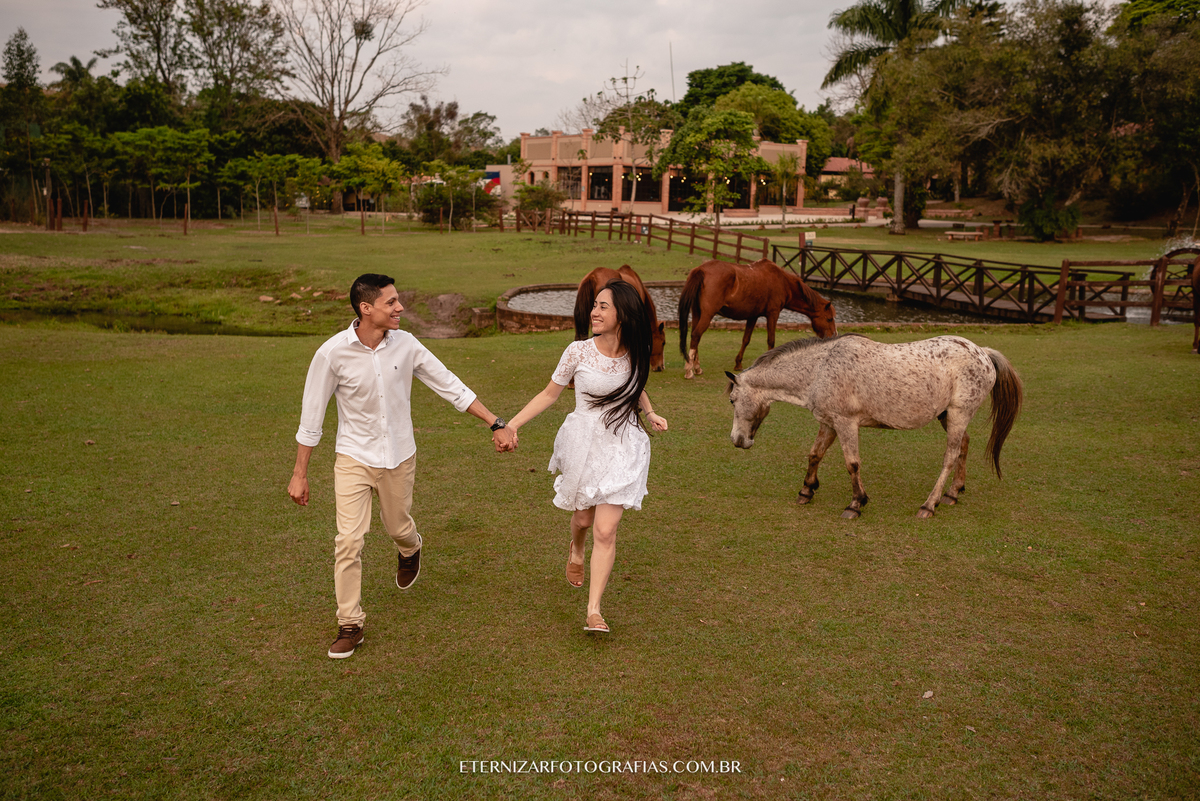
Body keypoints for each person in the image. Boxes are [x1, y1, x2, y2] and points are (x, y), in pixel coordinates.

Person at [288, 273, 516, 659]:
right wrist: (299, 473)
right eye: (391, 302)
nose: (400, 308)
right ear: (366, 308)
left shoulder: (407, 345)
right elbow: (312, 418)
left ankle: (410, 548)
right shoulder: (331, 354)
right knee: (348, 541)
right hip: (353, 458)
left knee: (398, 527)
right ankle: (350, 623)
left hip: (399, 456)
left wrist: (495, 422)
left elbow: (449, 385)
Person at [505, 280, 668, 634]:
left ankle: (594, 610)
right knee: (582, 519)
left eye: (603, 306)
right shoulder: (577, 352)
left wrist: (650, 411)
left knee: (605, 530)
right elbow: (549, 394)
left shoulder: (635, 350)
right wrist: (511, 425)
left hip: (623, 445)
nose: (594, 312)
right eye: (594, 305)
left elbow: (635, 384)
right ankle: (576, 549)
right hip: (584, 443)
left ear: (623, 314)